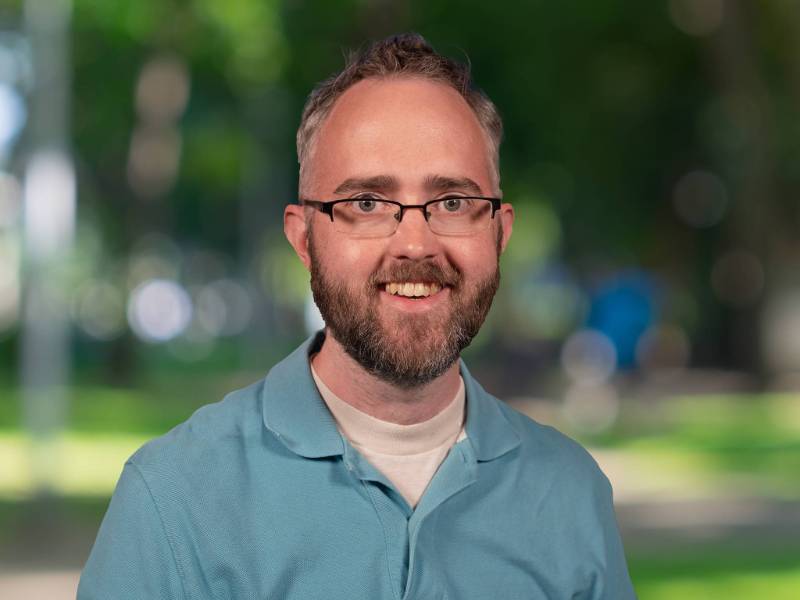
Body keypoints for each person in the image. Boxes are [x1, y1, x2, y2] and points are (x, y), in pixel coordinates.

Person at [78, 33, 636, 599]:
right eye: (367, 203)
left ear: (500, 232)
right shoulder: (174, 499)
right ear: (303, 238)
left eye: (452, 203)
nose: (415, 244)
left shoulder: (571, 493)